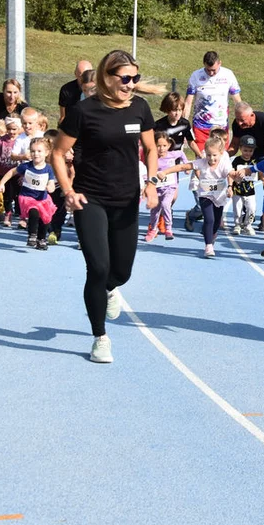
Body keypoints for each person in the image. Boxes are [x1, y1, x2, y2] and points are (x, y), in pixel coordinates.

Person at [51, 50, 158, 364]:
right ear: (106, 77)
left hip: (126, 200)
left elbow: (150, 148)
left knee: (120, 271)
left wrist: (151, 182)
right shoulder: (84, 112)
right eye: (124, 78)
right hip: (90, 199)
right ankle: (100, 337)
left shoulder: (140, 108)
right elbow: (58, 153)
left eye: (134, 78)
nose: (130, 84)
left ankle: (112, 288)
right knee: (97, 268)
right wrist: (68, 191)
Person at [161, 136, 236, 259]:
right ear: (205, 153)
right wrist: (165, 172)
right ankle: (208, 246)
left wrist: (231, 184)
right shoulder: (201, 163)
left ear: (221, 154)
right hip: (205, 195)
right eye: (209, 155)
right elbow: (182, 167)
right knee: (209, 219)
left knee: (217, 222)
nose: (211, 158)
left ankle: (212, 235)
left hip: (220, 196)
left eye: (215, 155)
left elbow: (231, 173)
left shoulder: (224, 163)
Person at [0, 136, 58, 251]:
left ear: (46, 153)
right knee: (34, 213)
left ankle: (41, 239)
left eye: (39, 151)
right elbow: (12, 172)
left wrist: (50, 188)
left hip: (43, 199)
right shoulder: (26, 166)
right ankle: (32, 235)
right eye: (33, 151)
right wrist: (2, 183)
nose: (36, 154)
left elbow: (51, 183)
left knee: (45, 220)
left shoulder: (48, 169)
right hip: (27, 198)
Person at [184, 51, 241, 153]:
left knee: (219, 158)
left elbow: (237, 99)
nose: (210, 73)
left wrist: (241, 117)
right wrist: (183, 123)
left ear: (220, 63)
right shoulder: (196, 75)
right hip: (201, 126)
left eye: (213, 70)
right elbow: (188, 102)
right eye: (208, 70)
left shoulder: (228, 75)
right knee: (202, 157)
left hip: (221, 126)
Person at [146, 131, 187, 242]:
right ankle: (153, 229)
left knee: (165, 204)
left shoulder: (172, 154)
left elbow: (182, 154)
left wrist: (186, 165)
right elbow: (147, 171)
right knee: (155, 211)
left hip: (170, 187)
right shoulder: (152, 158)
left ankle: (168, 228)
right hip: (157, 188)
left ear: (169, 145)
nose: (162, 149)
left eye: (164, 146)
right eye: (158, 146)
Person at [0, 116, 23, 226]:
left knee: (20, 195)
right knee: (7, 195)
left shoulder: (21, 140)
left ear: (19, 129)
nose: (11, 131)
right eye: (9, 129)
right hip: (4, 173)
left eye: (14, 129)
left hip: (18, 173)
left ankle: (23, 216)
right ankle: (8, 213)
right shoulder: (1, 142)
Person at [230, 135, 258, 235]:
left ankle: (248, 225)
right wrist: (236, 177)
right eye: (245, 150)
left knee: (252, 209)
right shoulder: (236, 160)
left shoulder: (254, 161)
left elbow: (259, 171)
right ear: (241, 148)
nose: (248, 153)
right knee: (237, 209)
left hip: (250, 191)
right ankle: (237, 224)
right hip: (237, 190)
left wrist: (263, 179)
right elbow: (231, 173)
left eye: (250, 151)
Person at [155, 92, 195, 156]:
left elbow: (191, 142)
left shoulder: (185, 124)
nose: (177, 113)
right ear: (167, 110)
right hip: (162, 160)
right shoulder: (158, 126)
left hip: (177, 159)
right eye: (174, 110)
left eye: (180, 110)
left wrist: (200, 156)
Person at [58, 60, 95, 125]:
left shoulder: (102, 91)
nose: (85, 78)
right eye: (81, 76)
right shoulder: (66, 90)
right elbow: (63, 116)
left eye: (87, 75)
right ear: (75, 74)